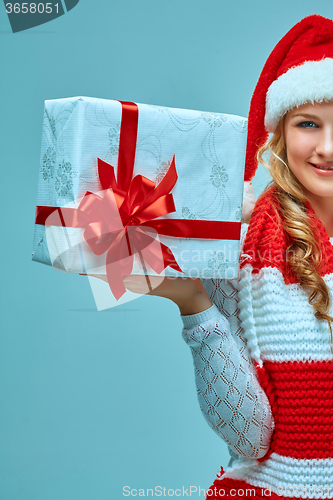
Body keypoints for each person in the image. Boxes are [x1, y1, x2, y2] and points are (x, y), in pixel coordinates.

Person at [92, 14, 333, 500]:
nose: (327, 148)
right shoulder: (241, 248)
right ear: (281, 133)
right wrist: (195, 305)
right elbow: (249, 438)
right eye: (309, 123)